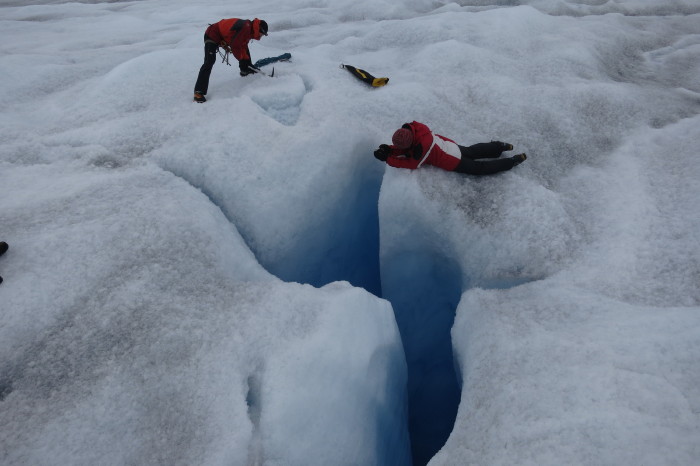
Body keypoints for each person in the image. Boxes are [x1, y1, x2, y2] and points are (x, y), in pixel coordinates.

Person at [374, 121, 526, 175]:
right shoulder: (417, 129)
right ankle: (500, 146)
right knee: (473, 151)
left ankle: (511, 162)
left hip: (452, 160)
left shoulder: (421, 149)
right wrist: (390, 149)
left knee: (480, 168)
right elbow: (407, 148)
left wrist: (388, 158)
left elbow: (412, 163)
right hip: (451, 146)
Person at [193, 18, 268, 103]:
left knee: (245, 52)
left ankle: (245, 70)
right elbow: (235, 45)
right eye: (262, 34)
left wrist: (246, 62)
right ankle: (198, 92)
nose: (261, 36)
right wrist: (242, 59)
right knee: (209, 61)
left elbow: (242, 47)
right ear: (259, 29)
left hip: (221, 36)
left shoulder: (249, 30)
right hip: (212, 34)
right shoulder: (246, 27)